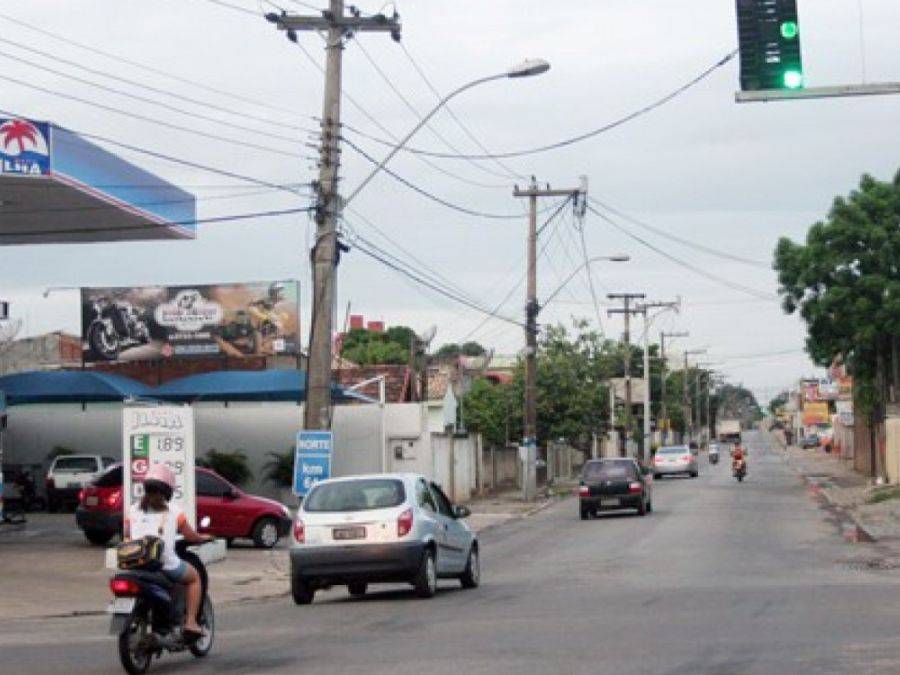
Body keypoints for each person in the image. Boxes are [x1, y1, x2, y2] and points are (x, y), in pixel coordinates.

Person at [124, 463, 212, 642]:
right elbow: (190, 535)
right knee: (195, 577)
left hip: (135, 563)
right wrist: (202, 537)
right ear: (168, 490)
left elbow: (127, 535)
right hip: (164, 564)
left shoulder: (133, 509)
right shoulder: (174, 511)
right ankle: (191, 622)